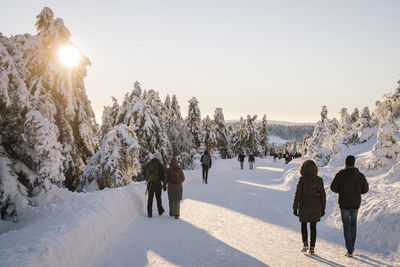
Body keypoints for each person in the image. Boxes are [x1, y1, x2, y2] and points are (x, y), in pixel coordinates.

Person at [330, 155, 369, 258]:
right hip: (356, 203)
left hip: (344, 204)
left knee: (346, 226)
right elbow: (365, 189)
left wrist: (341, 191)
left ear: (345, 163)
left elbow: (333, 187)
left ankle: (350, 250)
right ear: (354, 163)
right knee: (353, 225)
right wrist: (357, 191)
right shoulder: (360, 175)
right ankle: (352, 247)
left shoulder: (340, 174)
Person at [293, 159, 326, 255]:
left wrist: (295, 207)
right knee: (313, 226)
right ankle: (312, 248)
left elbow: (298, 194)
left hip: (304, 205)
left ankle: (305, 244)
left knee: (303, 225)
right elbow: (323, 196)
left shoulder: (302, 180)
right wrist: (322, 208)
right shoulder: (319, 180)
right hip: (315, 206)